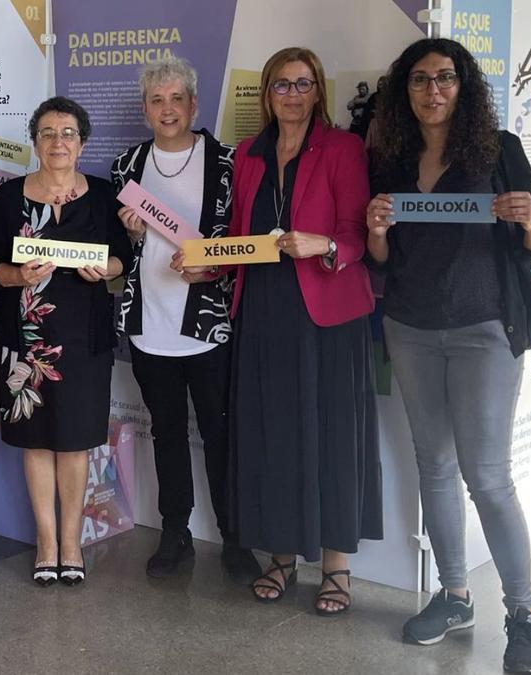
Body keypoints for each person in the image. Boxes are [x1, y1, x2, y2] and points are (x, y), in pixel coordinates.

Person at [366, 38, 531, 675]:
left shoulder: (499, 150)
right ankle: (453, 596)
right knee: (435, 466)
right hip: (410, 327)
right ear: (405, 90)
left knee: (488, 477)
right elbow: (382, 261)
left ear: (463, 85)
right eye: (419, 80)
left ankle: (524, 613)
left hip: (484, 329)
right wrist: (375, 230)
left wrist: (529, 218)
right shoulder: (390, 157)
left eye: (445, 78)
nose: (433, 90)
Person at [189, 47, 381, 616]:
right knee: (272, 433)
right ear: (266, 94)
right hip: (265, 309)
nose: (291, 95)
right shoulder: (248, 152)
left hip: (328, 313)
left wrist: (323, 245)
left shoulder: (343, 147)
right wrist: (209, 263)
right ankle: (280, 557)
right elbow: (239, 236)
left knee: (330, 436)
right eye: (280, 85)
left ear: (318, 90)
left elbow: (355, 232)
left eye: (301, 85)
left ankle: (336, 567)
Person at [109, 57, 260, 580]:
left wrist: (214, 265)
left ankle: (235, 538)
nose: (168, 109)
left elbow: (247, 238)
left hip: (208, 324)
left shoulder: (227, 161)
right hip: (150, 323)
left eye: (177, 99)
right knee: (167, 431)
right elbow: (118, 251)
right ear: (145, 109)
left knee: (221, 434)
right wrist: (129, 237)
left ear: (194, 105)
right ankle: (176, 532)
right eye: (157, 100)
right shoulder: (127, 165)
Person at [0, 96, 132, 587]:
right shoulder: (9, 197)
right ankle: (46, 545)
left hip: (83, 336)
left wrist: (103, 268)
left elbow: (121, 263)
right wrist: (17, 273)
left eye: (67, 132)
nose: (58, 141)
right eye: (47, 133)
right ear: (35, 141)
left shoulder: (105, 196)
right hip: (24, 337)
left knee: (73, 442)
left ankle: (72, 544)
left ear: (82, 141)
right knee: (35, 439)